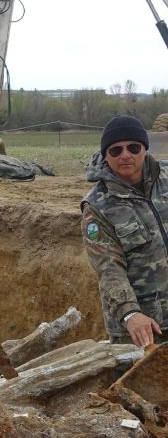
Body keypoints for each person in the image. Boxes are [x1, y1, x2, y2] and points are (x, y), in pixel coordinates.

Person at [81, 114, 168, 348]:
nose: (125, 155)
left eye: (133, 147)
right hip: (143, 328)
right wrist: (130, 313)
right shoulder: (97, 206)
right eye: (115, 150)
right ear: (105, 156)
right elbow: (108, 267)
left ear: (144, 149)